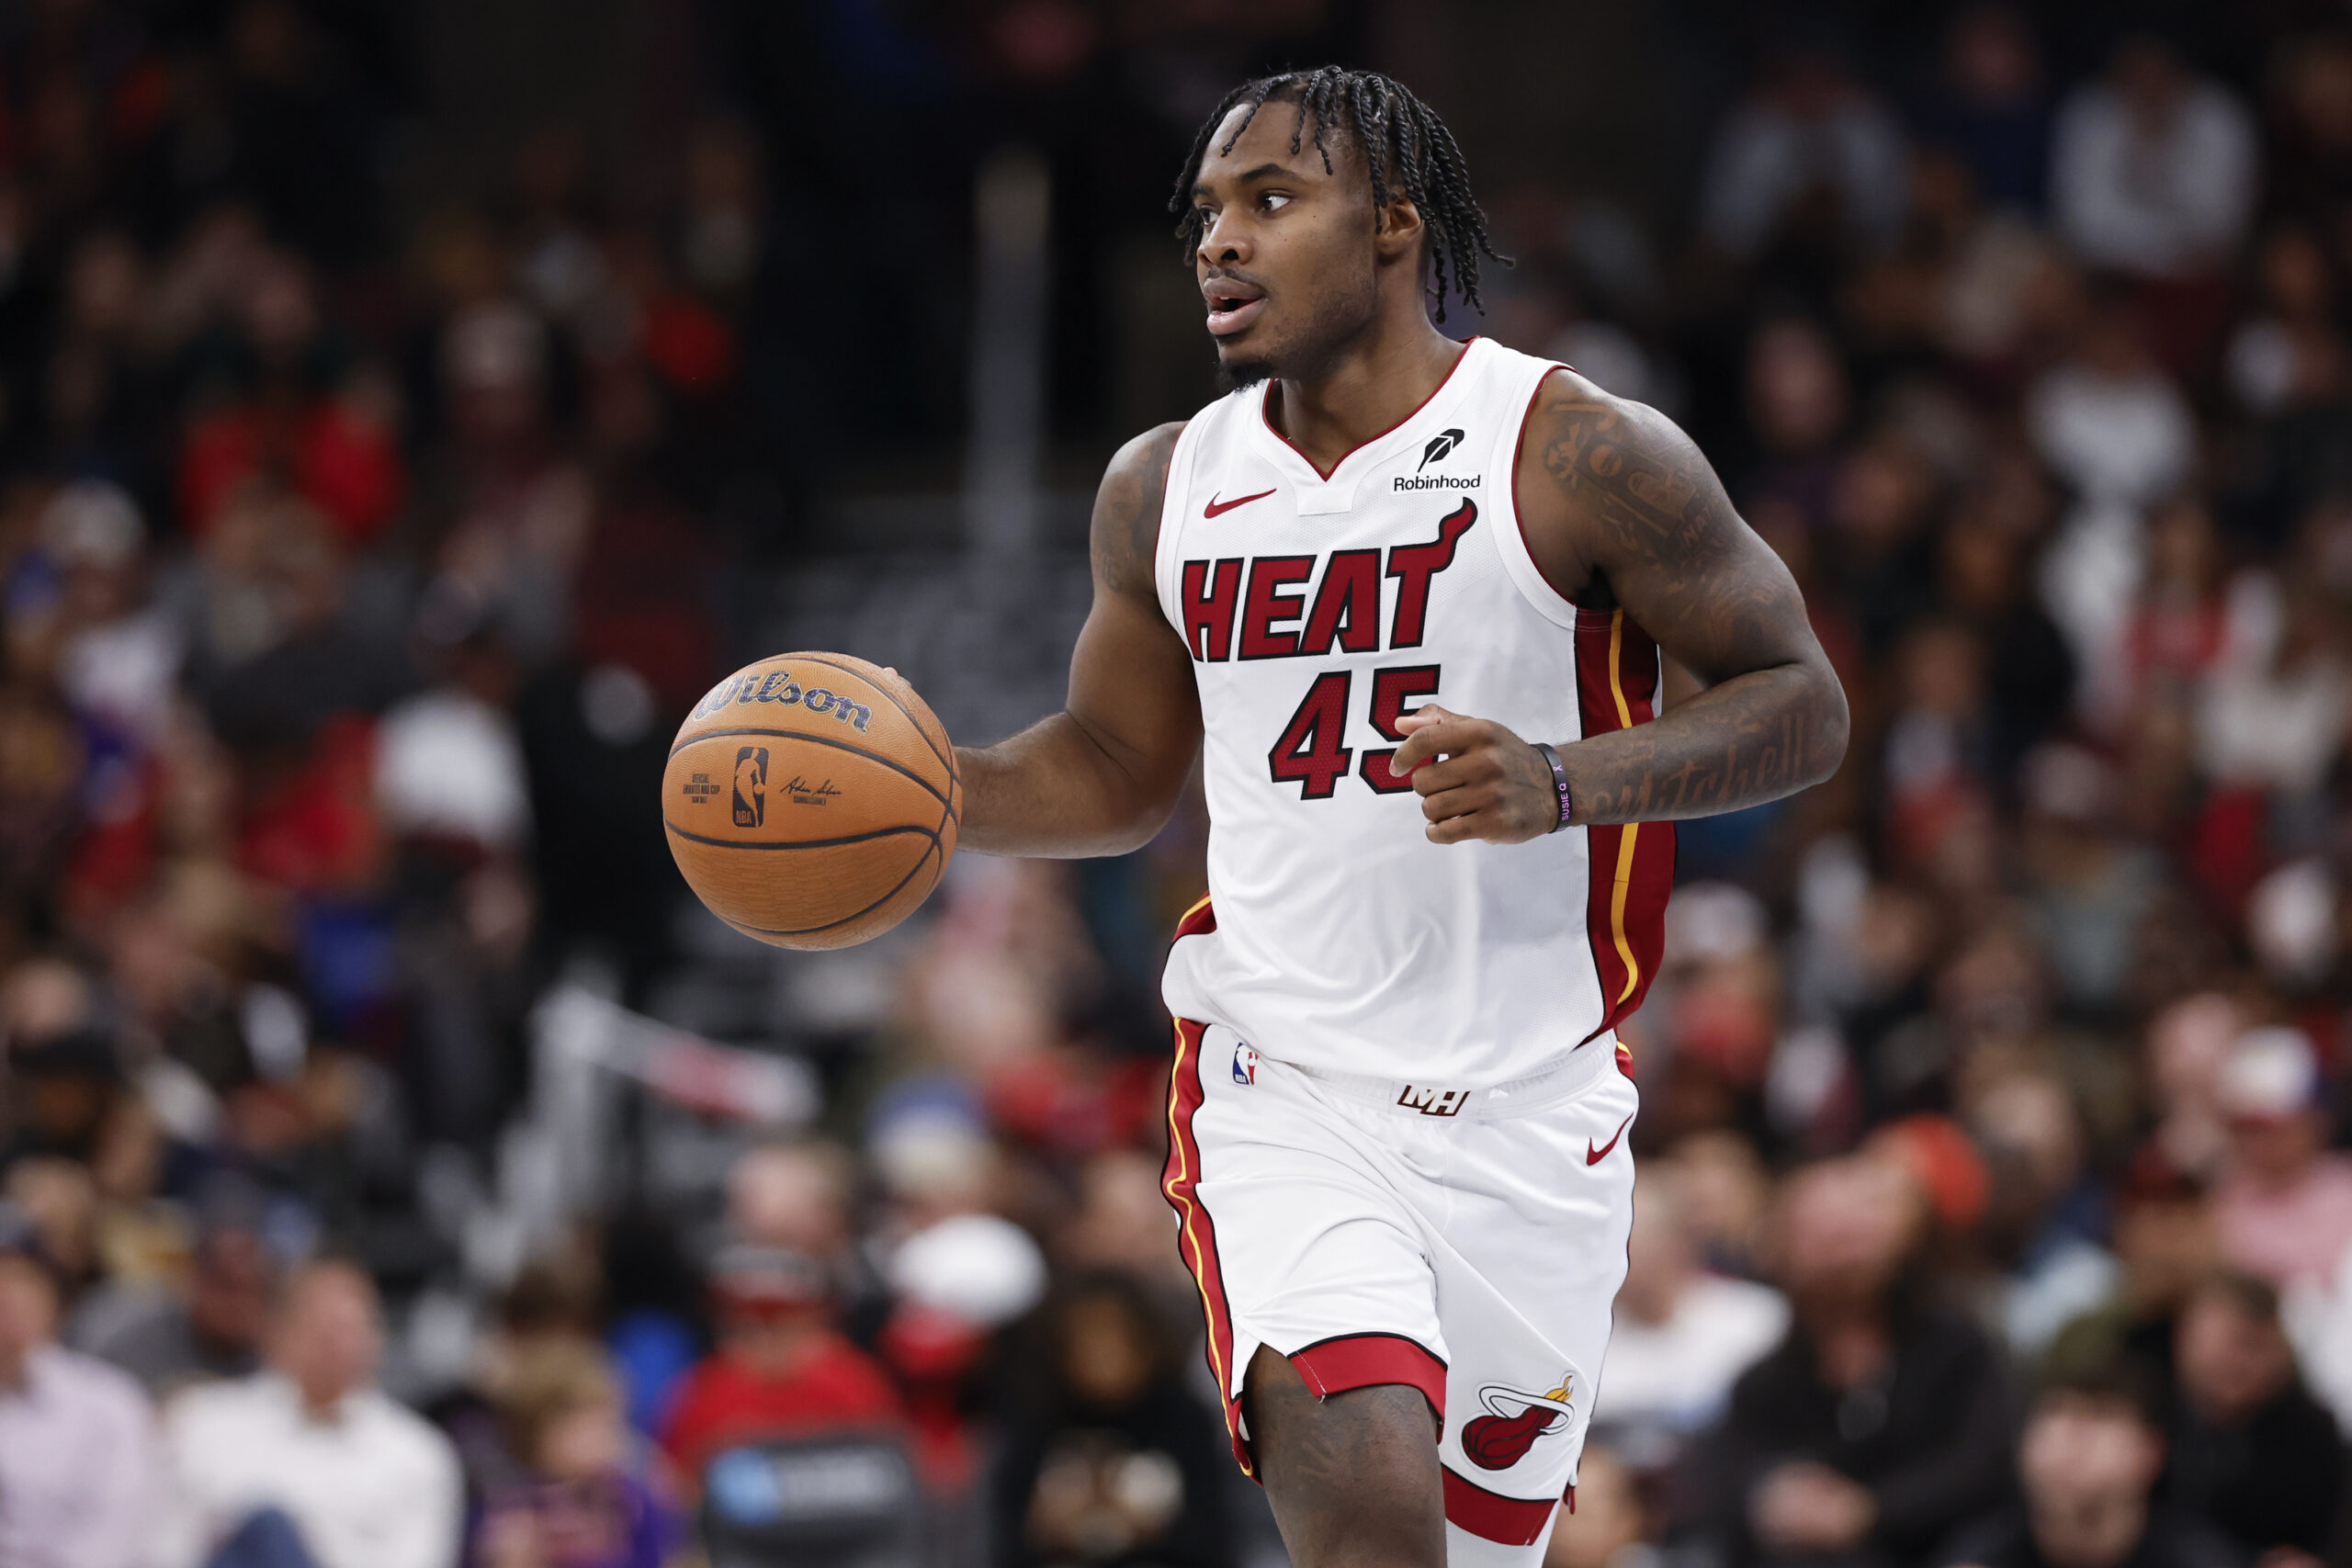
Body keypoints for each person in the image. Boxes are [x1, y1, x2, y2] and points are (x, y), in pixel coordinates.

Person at [945, 66, 1847, 1568]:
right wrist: (939, 793)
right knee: (1364, 1511)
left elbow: (1802, 703)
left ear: (1393, 229)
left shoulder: (1573, 450)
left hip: (1533, 1108)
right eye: (1208, 215)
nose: (1220, 243)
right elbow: (1116, 770)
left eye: (1270, 201)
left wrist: (1564, 779)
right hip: (1285, 1079)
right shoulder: (1165, 485)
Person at [1686, 1156, 2011, 1568]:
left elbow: (1984, 1466)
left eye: (1858, 1224)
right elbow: (1723, 1485)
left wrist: (1868, 1510)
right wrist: (1769, 1497)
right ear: (1778, 1249)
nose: (1843, 1245)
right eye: (1820, 1230)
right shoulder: (1764, 1385)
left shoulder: (1957, 1349)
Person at [152, 1258, 464, 1568]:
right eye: (319, 1327)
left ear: (376, 1339)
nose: (334, 1345)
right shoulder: (203, 1421)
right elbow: (163, 1549)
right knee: (264, 1528)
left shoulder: (417, 1453)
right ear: (276, 1331)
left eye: (348, 1328)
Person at [654, 1244, 903, 1491]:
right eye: (751, 1321)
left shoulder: (852, 1381)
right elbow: (677, 1486)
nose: (767, 1336)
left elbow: (892, 1474)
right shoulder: (704, 1390)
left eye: (782, 1320)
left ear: (816, 1318)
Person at [1933, 1371, 2243, 1568]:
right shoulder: (1976, 1555)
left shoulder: (2198, 1557)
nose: (2072, 1436)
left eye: (2101, 1418)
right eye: (2057, 1414)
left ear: (2151, 1453)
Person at [0, 1201, 160, 1568]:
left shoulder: (108, 1403)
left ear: (53, 1298)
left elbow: (114, 1540)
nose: (5, 1298)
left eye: (20, 1280)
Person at [2160, 1273, 2343, 1561]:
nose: (2233, 1362)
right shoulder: (2145, 1408)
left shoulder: (2313, 1435)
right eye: (2222, 1342)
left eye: (2252, 1345)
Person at [473, 1340, 679, 1568]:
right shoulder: (509, 1505)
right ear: (535, 1432)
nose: (604, 1438)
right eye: (586, 1426)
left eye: (610, 1423)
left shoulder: (631, 1503)